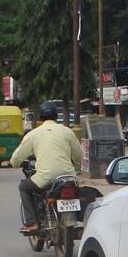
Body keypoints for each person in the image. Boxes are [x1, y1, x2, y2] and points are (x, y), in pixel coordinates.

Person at [9, 100, 83, 234]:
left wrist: (15, 163)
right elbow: (78, 155)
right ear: (56, 116)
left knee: (24, 187)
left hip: (46, 178)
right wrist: (76, 168)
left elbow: (15, 159)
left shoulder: (33, 134)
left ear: (40, 117)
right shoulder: (67, 132)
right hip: (68, 177)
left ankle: (32, 223)